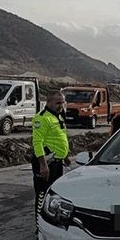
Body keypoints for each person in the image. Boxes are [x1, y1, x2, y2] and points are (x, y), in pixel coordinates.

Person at [32, 91, 70, 225]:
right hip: (47, 163)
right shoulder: (41, 118)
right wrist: (43, 165)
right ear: (48, 102)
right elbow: (37, 143)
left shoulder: (58, 117)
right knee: (42, 196)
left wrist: (65, 156)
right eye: (58, 103)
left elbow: (61, 138)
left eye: (63, 102)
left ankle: (52, 224)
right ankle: (39, 228)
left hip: (58, 162)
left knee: (55, 197)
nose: (61, 105)